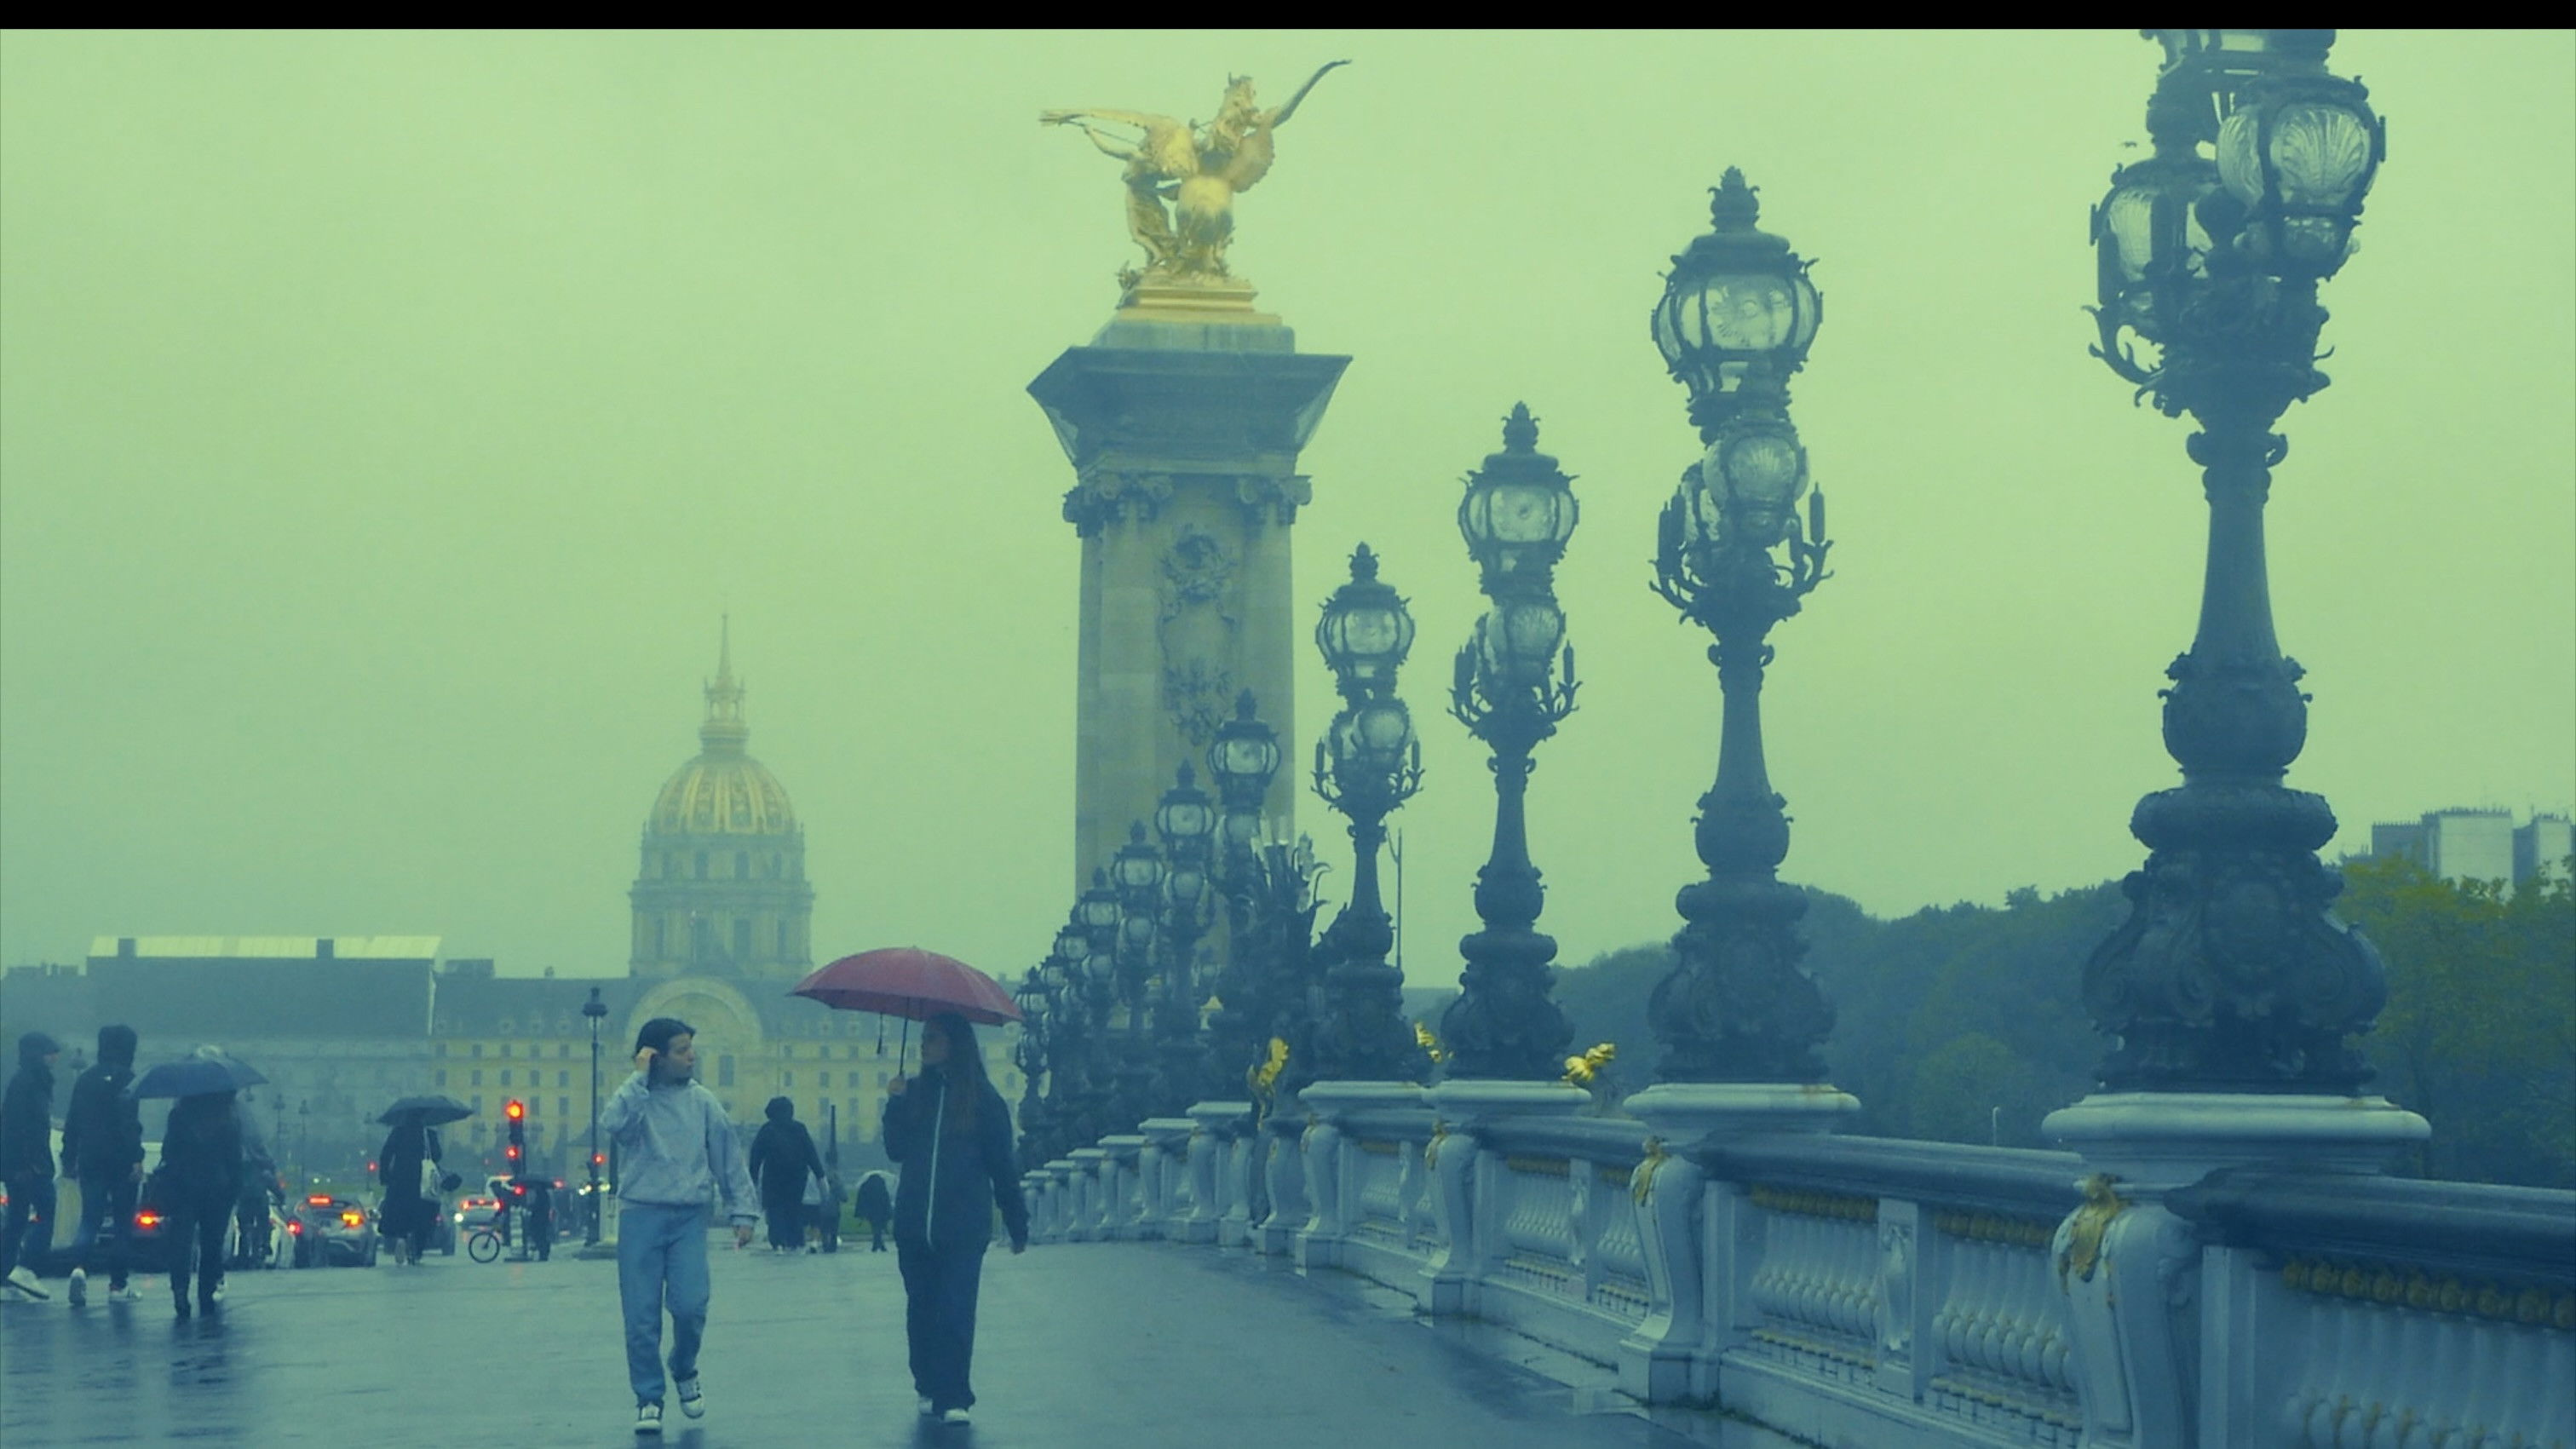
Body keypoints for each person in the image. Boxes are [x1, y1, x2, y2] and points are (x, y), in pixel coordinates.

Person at [601, 1017, 756, 1436]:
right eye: (683, 1050)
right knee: (641, 1315)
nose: (693, 1057)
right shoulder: (636, 1100)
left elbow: (728, 1158)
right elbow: (612, 1124)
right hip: (640, 1213)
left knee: (690, 1306)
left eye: (692, 1048)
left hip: (688, 1214)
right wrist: (637, 1078)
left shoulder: (703, 1102)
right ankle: (649, 1397)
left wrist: (743, 1211)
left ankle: (684, 1366)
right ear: (656, 1057)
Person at [883, 1012, 1028, 1428]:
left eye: (933, 1038)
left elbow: (1003, 1166)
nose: (923, 1045)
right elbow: (895, 1150)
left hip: (963, 1225)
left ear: (956, 1045)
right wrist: (893, 1104)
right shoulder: (912, 1094)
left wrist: (1016, 1222)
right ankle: (926, 1381)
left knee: (956, 1308)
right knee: (921, 1308)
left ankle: (955, 1394)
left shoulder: (985, 1100)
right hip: (914, 1225)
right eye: (924, 1038)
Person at [60, 1025, 144, 1304]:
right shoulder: (129, 1080)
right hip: (121, 1160)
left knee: (89, 1219)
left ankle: (78, 1268)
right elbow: (129, 1125)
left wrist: (68, 1158)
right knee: (121, 1224)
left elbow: (73, 1122)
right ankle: (118, 1286)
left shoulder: (85, 1079)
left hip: (91, 1158)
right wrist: (136, 1157)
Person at [160, 1088, 243, 1317]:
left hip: (184, 1186)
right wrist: (234, 1188)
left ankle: (179, 1290)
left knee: (181, 1242)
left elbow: (168, 1151)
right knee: (211, 1244)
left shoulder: (178, 1115)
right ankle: (205, 1293)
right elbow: (235, 1157)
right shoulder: (227, 1116)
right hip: (217, 1188)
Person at [1, 1032, 62, 1300]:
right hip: (30, 1164)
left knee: (16, 1220)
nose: (55, 1057)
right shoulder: (29, 1083)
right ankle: (27, 1265)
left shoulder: (25, 1081)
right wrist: (22, 1163)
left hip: (24, 1162)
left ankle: (4, 1275)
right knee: (47, 1209)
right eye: (51, 1052)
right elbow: (17, 1127)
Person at [746, 1097, 825, 1254]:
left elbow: (756, 1156)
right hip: (797, 1178)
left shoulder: (767, 1130)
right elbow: (811, 1153)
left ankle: (778, 1242)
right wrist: (820, 1175)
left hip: (773, 1178)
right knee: (794, 1208)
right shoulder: (799, 1128)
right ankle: (795, 1241)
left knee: (775, 1210)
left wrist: (752, 1178)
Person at [376, 1118, 442, 1265]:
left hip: (400, 1180)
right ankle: (418, 1251)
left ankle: (401, 1238)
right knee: (424, 1215)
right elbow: (437, 1156)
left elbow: (385, 1155)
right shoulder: (429, 1134)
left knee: (400, 1213)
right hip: (422, 1182)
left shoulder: (398, 1133)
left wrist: (385, 1177)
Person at [854, 1170, 893, 1253]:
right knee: (879, 1227)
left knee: (875, 1227)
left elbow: (862, 1200)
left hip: (871, 1211)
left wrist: (862, 1213)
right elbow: (886, 1200)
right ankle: (880, 1245)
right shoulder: (882, 1186)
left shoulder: (866, 1186)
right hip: (881, 1211)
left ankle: (877, 1244)